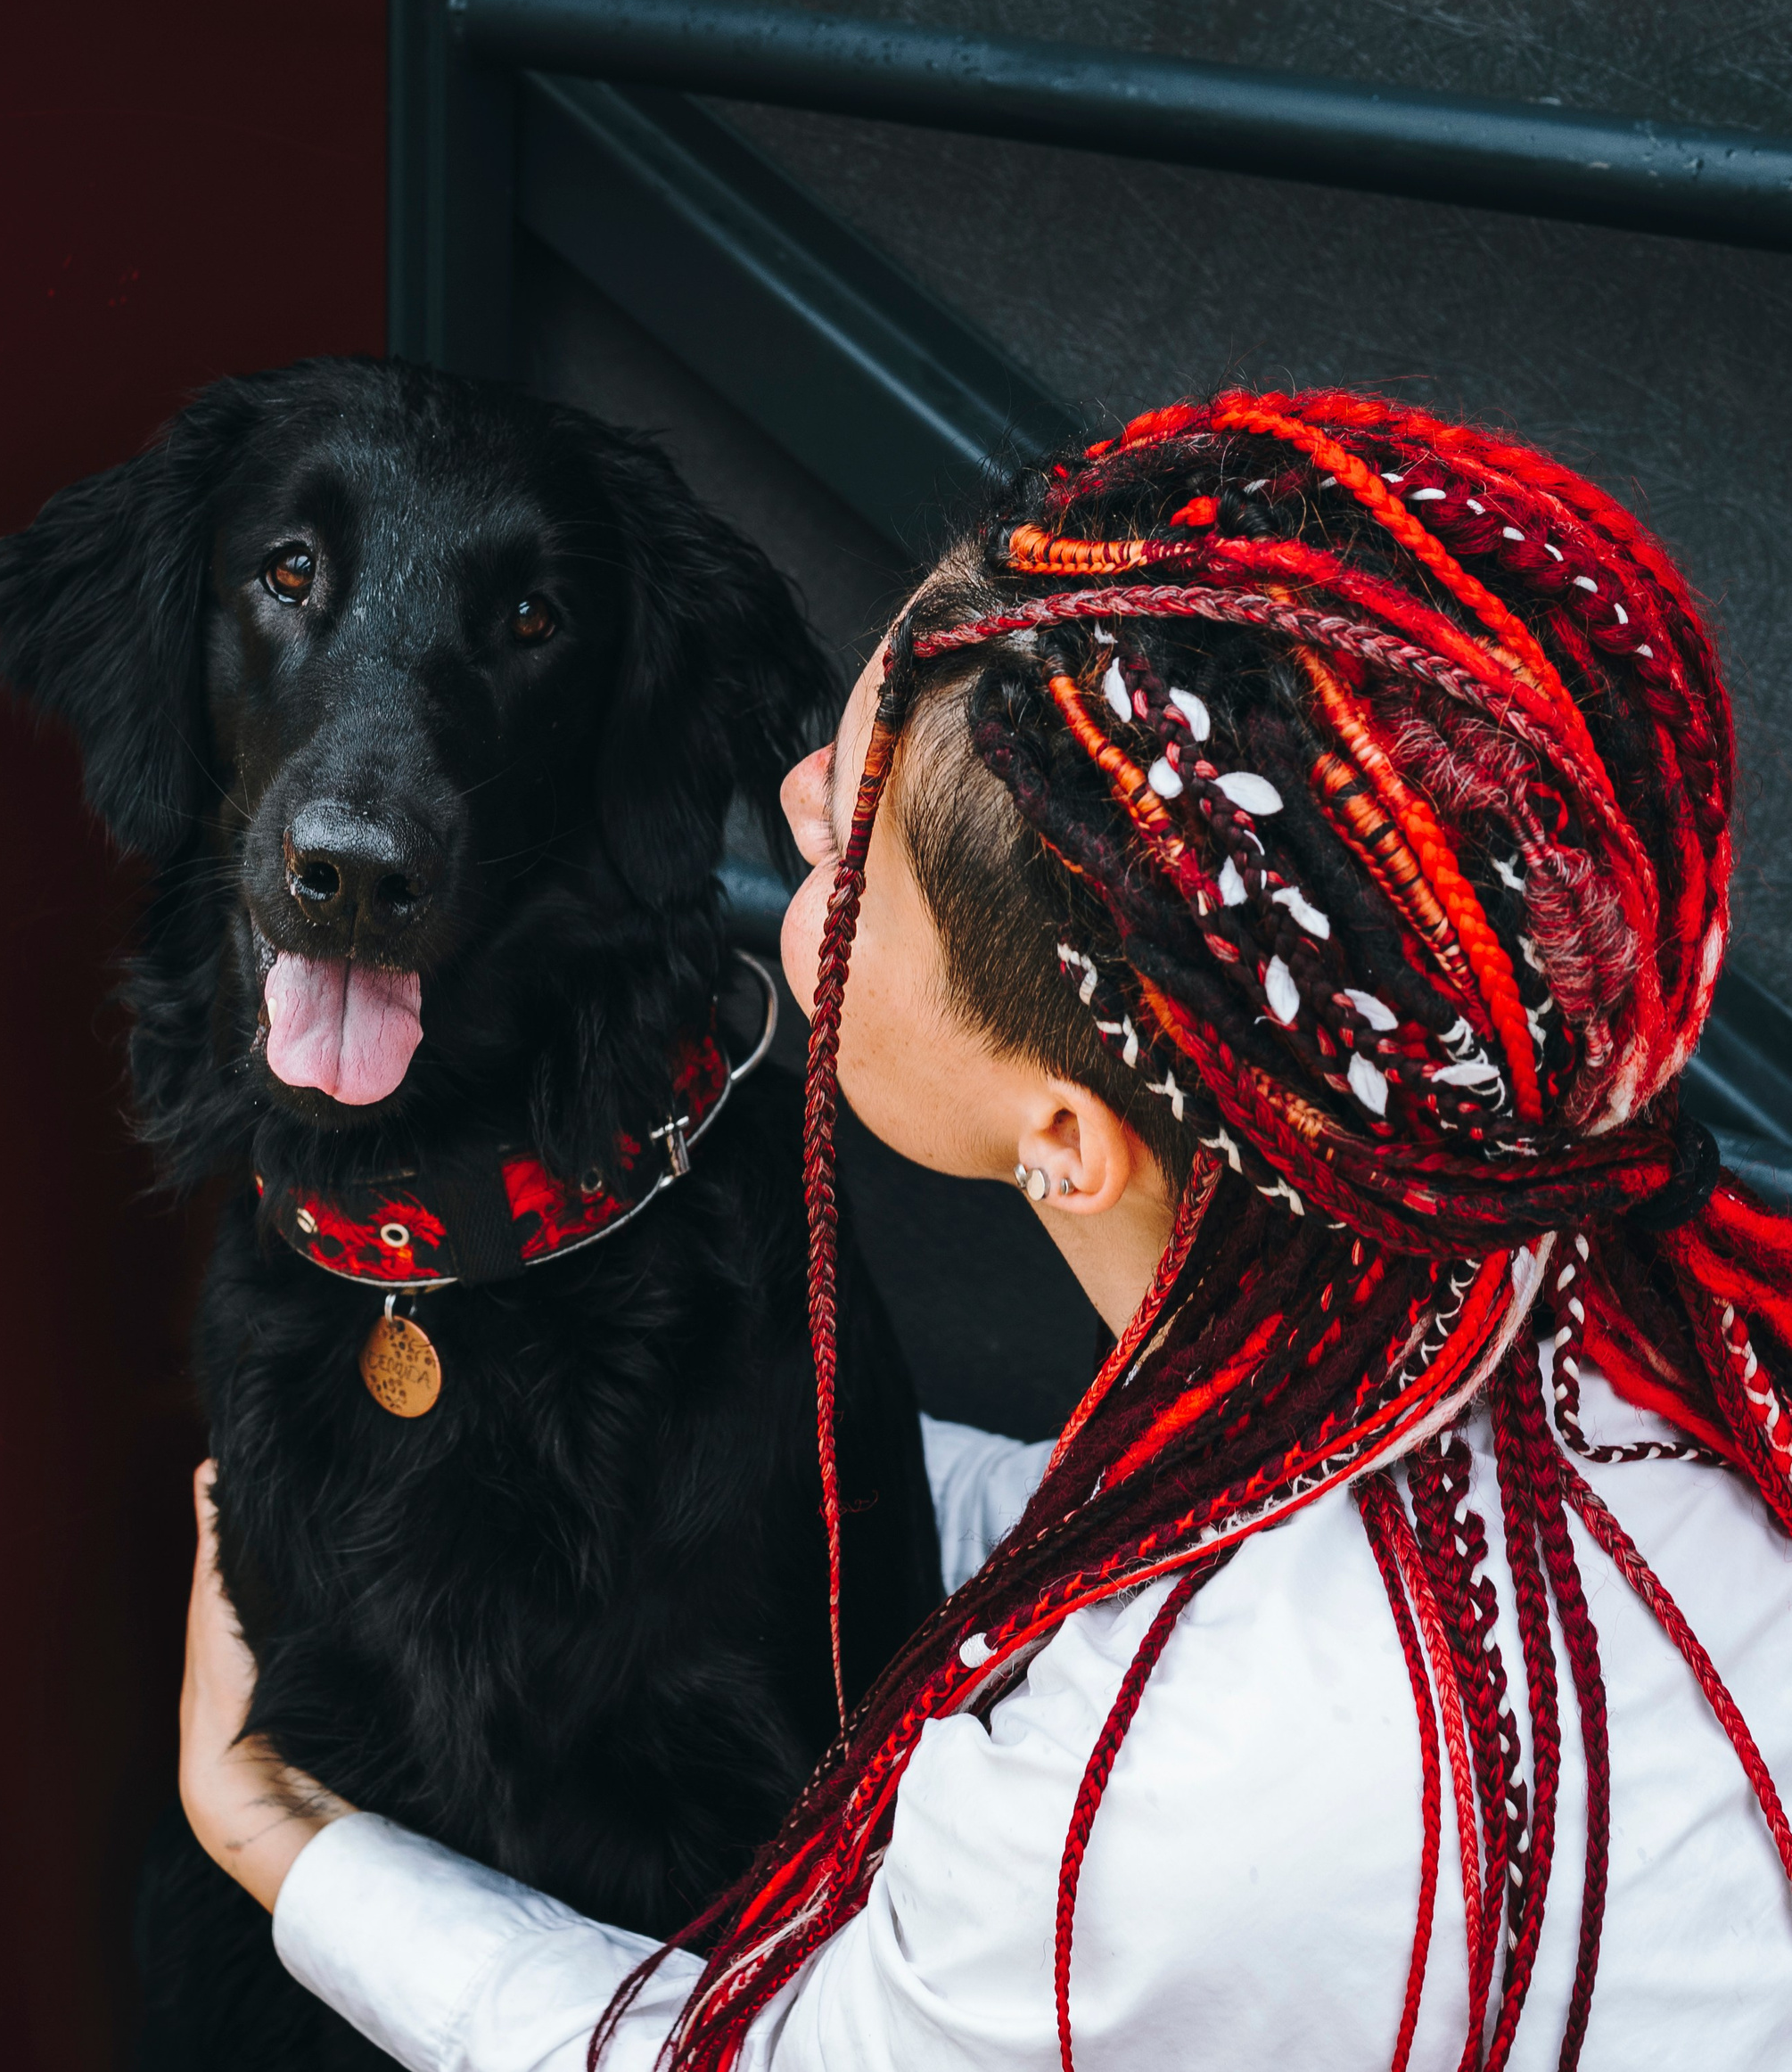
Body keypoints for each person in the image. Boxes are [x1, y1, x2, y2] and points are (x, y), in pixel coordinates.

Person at [177, 390, 1792, 2069]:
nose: (801, 795)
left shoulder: (1138, 1817)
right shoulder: (1580, 1361)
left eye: (866, 845)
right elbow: (1087, 1530)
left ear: (1067, 1142)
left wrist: (279, 1844)